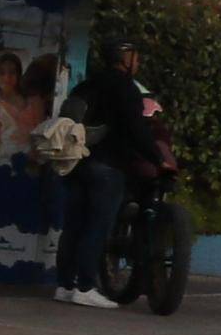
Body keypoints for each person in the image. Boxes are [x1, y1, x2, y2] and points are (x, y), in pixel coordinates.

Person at [54, 39, 166, 311]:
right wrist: (157, 158)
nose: (138, 63)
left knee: (74, 225)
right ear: (125, 59)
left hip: (77, 162)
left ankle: (65, 285)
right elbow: (136, 129)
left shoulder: (86, 85)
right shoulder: (125, 88)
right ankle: (85, 287)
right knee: (97, 225)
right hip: (108, 165)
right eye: (135, 58)